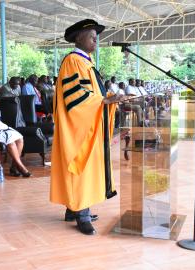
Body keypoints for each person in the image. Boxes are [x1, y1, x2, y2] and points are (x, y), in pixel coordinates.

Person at [50, 19, 123, 235]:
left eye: (96, 36)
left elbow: (94, 93)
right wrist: (103, 101)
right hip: (79, 126)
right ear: (78, 38)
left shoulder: (86, 62)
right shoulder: (74, 61)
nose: (96, 40)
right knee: (81, 166)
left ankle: (73, 211)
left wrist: (111, 98)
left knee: (83, 167)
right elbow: (76, 96)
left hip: (89, 123)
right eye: (92, 36)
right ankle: (81, 215)